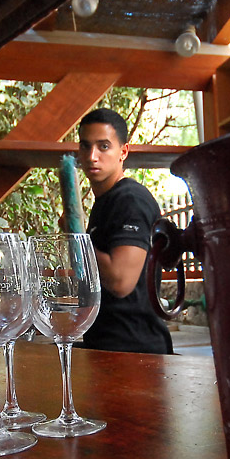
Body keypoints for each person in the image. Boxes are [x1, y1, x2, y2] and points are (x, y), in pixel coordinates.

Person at [73, 108, 173, 355]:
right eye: (85, 146)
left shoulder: (130, 200)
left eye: (104, 146)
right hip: (106, 345)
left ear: (123, 152)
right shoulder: (105, 202)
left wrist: (76, 237)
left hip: (135, 351)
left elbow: (120, 282)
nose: (92, 156)